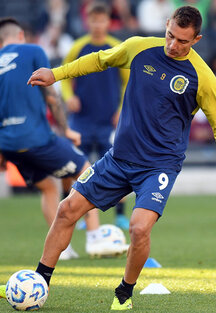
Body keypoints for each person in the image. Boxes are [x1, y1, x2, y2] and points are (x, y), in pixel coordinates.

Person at [0, 6, 216, 310]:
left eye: (183, 42)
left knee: (138, 228)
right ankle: (37, 283)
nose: (173, 45)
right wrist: (56, 74)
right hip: (119, 158)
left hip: (159, 166)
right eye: (170, 36)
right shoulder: (139, 48)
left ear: (197, 39)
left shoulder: (201, 76)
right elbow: (98, 60)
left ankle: (124, 294)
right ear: (166, 25)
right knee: (67, 209)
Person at [0, 18, 128, 265]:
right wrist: (67, 130)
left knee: (49, 186)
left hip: (9, 144)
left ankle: (64, 248)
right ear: (21, 36)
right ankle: (94, 237)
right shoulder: (33, 50)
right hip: (35, 137)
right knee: (85, 170)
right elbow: (51, 96)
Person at [62, 2, 131, 230]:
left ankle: (120, 214)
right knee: (79, 168)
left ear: (108, 22)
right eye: (94, 20)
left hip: (108, 120)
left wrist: (122, 107)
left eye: (102, 20)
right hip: (81, 120)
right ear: (87, 22)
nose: (98, 25)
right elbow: (63, 76)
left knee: (117, 169)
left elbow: (128, 82)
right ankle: (82, 216)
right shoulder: (77, 47)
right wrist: (69, 96)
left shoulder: (116, 47)